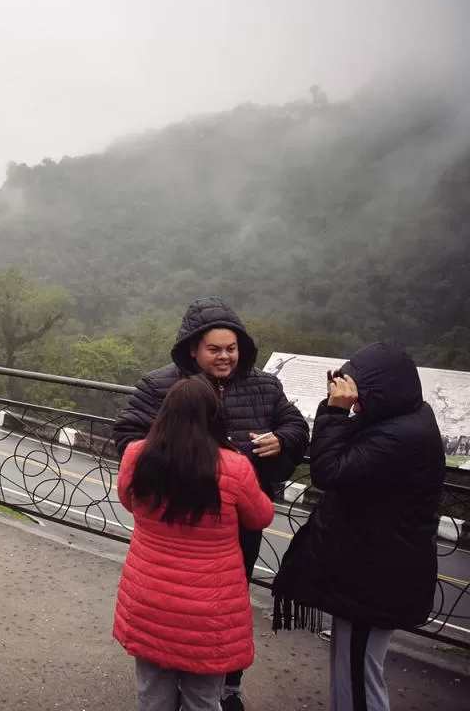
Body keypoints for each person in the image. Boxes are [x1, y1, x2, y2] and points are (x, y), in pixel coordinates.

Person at [111, 296, 308, 711]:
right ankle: (190, 690)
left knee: (223, 605)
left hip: (237, 520)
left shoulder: (264, 385)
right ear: (193, 349)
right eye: (215, 349)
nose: (225, 357)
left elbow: (294, 423)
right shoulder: (160, 385)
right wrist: (175, 464)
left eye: (232, 349)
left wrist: (284, 440)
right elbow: (127, 433)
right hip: (175, 515)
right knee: (176, 602)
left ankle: (225, 685)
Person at [272, 341, 445, 711]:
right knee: (349, 666)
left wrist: (335, 412)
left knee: (359, 675)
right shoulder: (402, 417)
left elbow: (328, 472)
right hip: (370, 571)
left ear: (381, 391)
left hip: (375, 579)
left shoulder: (401, 435)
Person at [114, 375, 275, 711]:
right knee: (203, 700)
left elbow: (128, 501)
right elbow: (260, 517)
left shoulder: (136, 455)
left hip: (150, 599)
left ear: (164, 414)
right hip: (210, 609)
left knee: (151, 697)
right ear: (215, 417)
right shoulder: (234, 467)